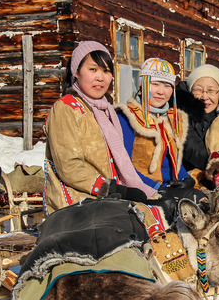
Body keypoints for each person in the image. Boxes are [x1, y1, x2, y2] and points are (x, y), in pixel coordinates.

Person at [43, 41, 157, 215]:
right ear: (76, 72)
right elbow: (69, 167)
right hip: (76, 203)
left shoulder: (106, 111)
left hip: (106, 199)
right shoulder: (66, 107)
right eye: (93, 69)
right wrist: (110, 189)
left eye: (106, 71)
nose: (100, 77)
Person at [115, 57, 192, 189]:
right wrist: (155, 187)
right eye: (155, 84)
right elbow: (123, 164)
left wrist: (187, 179)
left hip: (168, 187)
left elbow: (173, 161)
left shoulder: (173, 119)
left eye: (167, 86)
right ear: (142, 84)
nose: (161, 92)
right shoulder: (128, 116)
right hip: (140, 188)